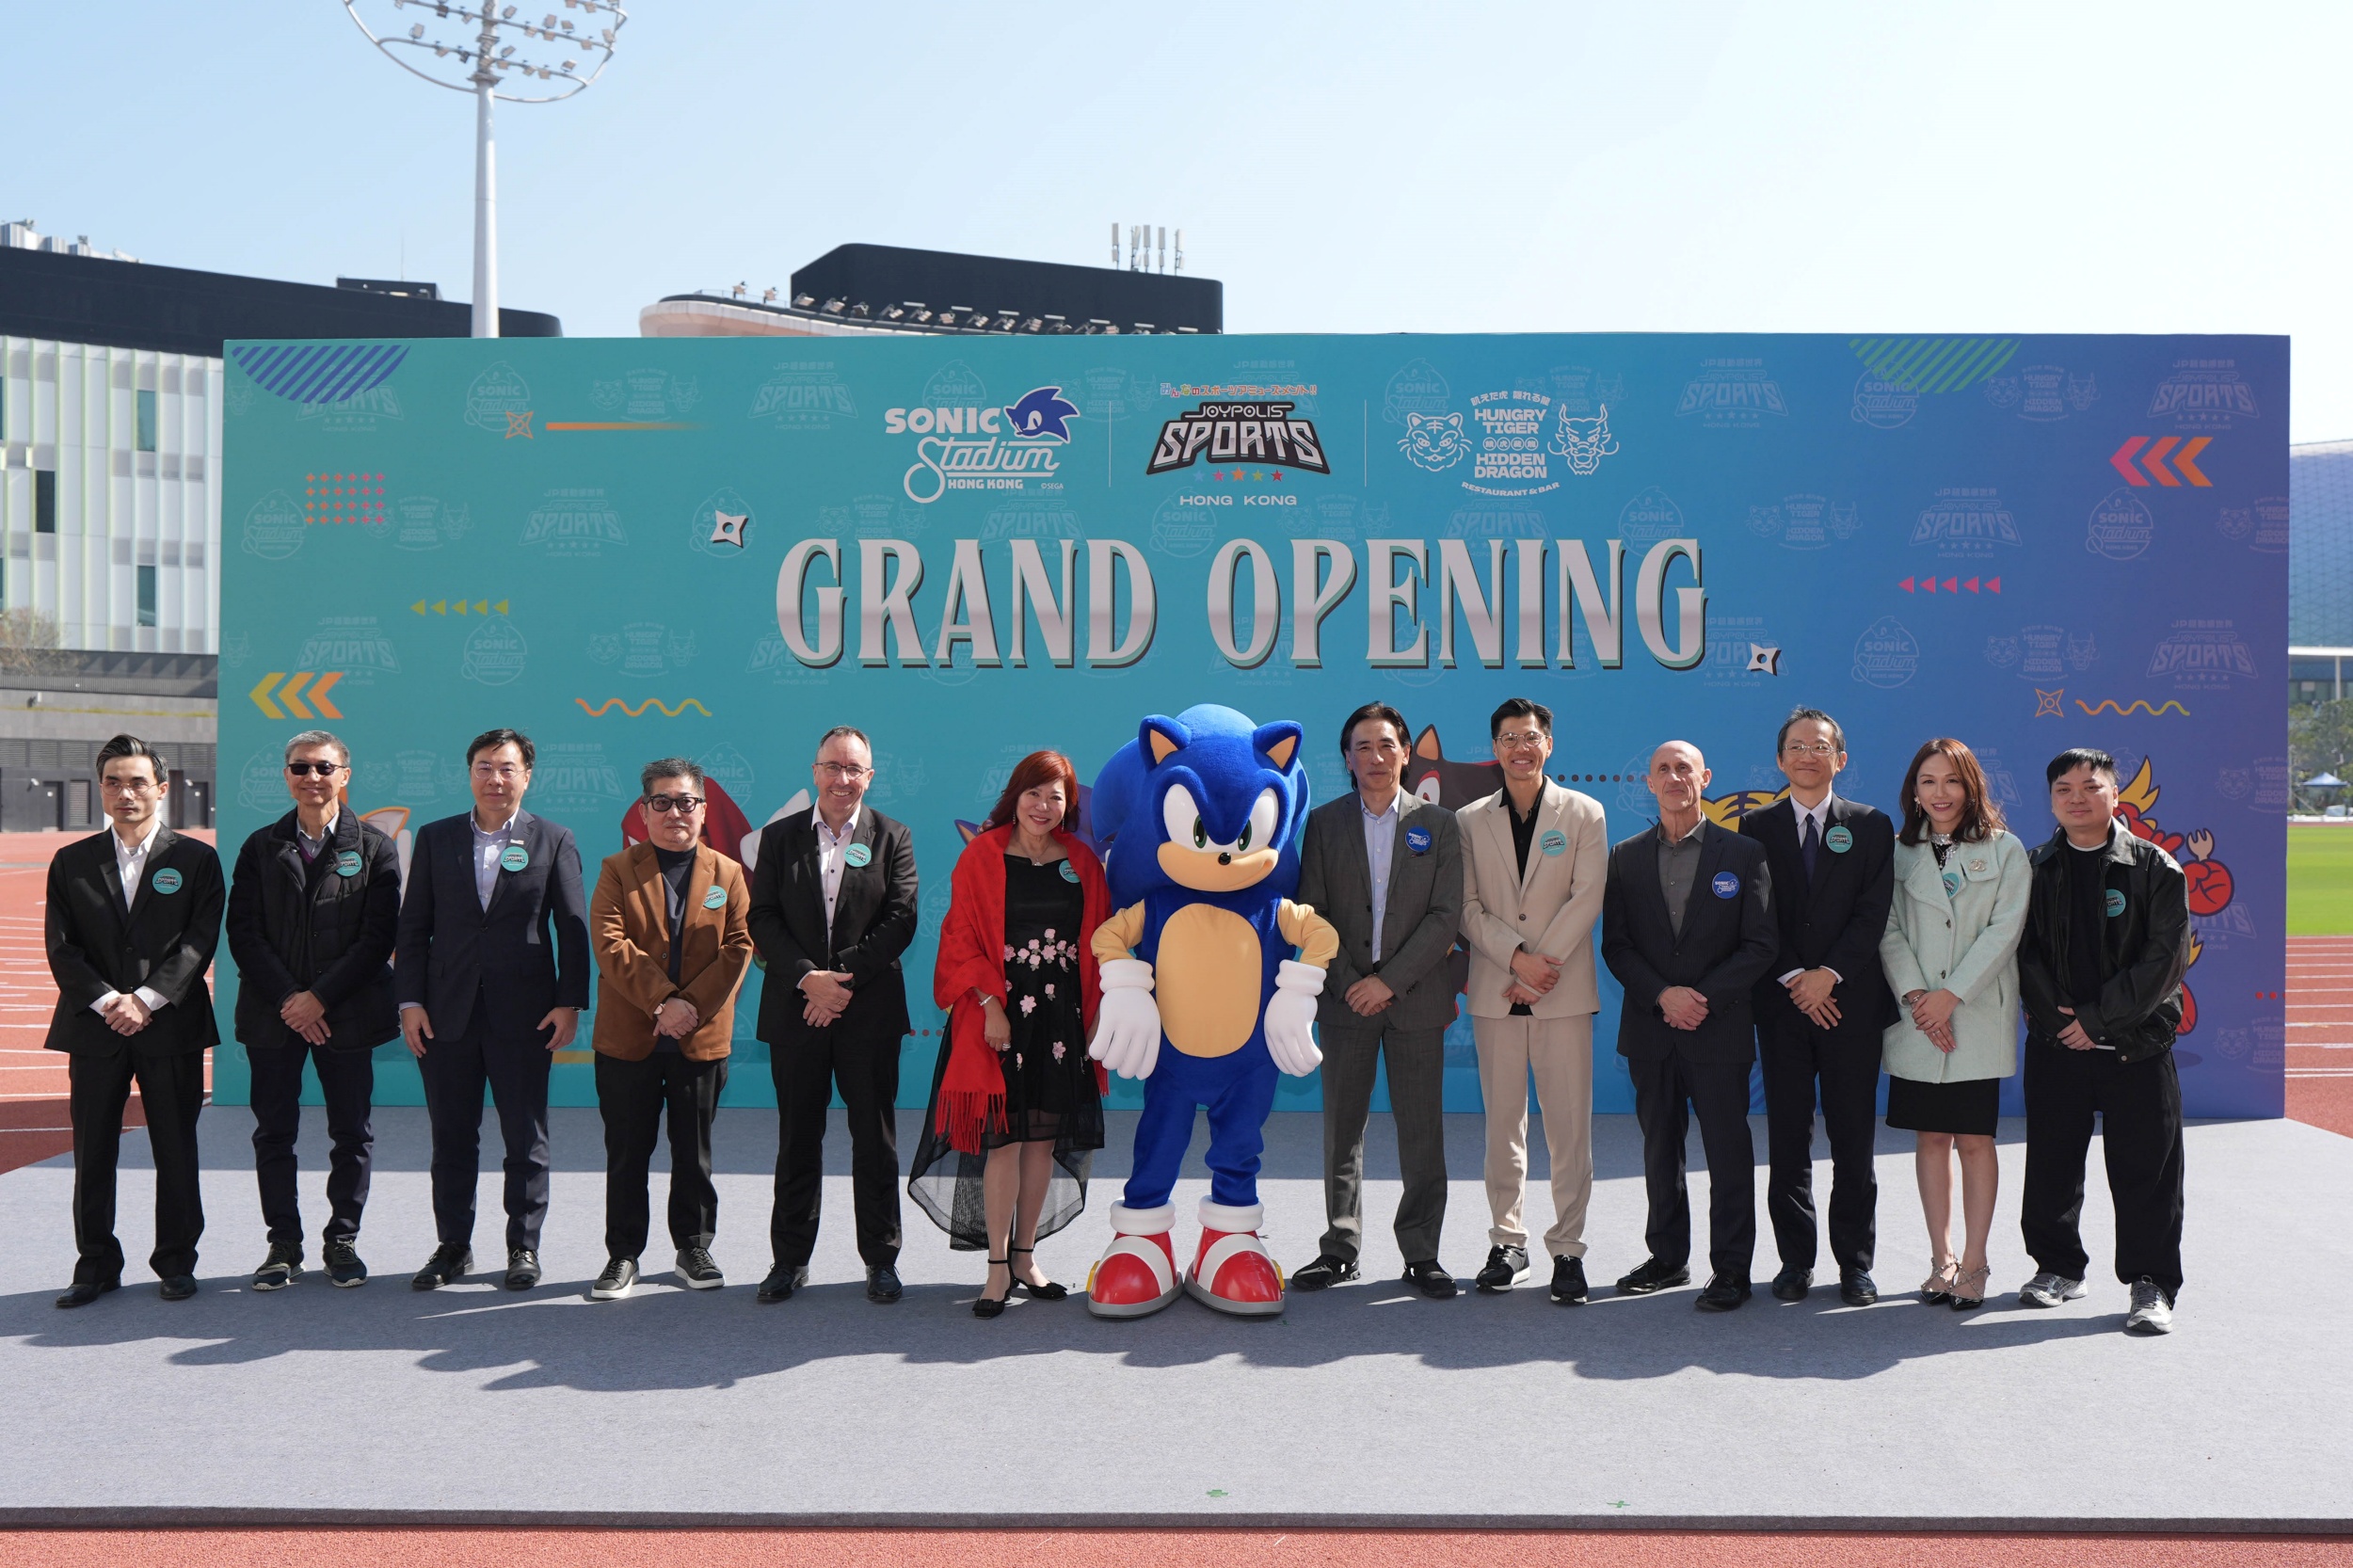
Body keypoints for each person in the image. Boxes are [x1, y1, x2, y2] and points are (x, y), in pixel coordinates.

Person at [911, 751, 1110, 1318]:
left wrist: (1098, 1014)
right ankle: (996, 1267)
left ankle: (1026, 1257)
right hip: (998, 1019)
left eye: (1056, 797)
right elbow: (960, 939)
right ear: (1014, 795)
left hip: (1059, 1020)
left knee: (1042, 1142)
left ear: (1069, 805)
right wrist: (991, 1006)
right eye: (1033, 794)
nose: (1043, 807)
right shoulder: (982, 854)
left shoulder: (1082, 861)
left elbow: (1098, 940)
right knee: (1005, 1143)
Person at [394, 728, 590, 1292]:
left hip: (525, 1014)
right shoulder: (436, 838)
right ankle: (453, 1247)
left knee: (524, 1136)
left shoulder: (553, 838)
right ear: (469, 773)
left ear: (527, 775)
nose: (495, 778)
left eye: (507, 768)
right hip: (445, 1013)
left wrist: (569, 1001)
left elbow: (571, 929)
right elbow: (413, 929)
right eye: (484, 767)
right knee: (451, 1137)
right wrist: (410, 1001)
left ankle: (522, 1248)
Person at [2013, 747, 2191, 1336]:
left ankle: (2152, 1284)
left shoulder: (2156, 868)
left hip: (2138, 1047)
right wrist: (2061, 1021)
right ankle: (2058, 1268)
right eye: (2063, 789)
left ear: (2115, 795)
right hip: (2056, 1044)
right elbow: (2024, 953)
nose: (2076, 798)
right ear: (2052, 801)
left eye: (2090, 787)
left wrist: (2097, 1020)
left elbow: (2163, 963)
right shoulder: (2034, 867)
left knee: (2147, 1171)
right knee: (2051, 1166)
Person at [45, 735, 226, 1307]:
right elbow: (61, 947)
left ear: (163, 789)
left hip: (169, 1027)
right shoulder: (71, 861)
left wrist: (146, 1000)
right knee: (92, 1149)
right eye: (114, 782)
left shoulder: (196, 859)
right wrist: (108, 1002)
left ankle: (175, 1261)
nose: (126, 793)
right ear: (101, 790)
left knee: (176, 1146)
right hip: (95, 1031)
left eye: (138, 782)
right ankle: (95, 1263)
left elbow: (199, 942)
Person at [1291, 702, 1465, 1299]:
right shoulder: (1323, 823)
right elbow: (1312, 914)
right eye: (1362, 747)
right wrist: (1349, 982)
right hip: (1345, 1003)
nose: (1375, 757)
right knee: (1343, 1130)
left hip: (1416, 1001)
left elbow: (1446, 917)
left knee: (1422, 1131)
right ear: (1347, 758)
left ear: (1406, 753)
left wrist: (1388, 982)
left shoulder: (1439, 824)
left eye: (1386, 745)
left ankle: (1421, 1252)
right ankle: (1340, 1246)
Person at [1601, 740, 1777, 1311]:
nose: (1674, 777)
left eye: (1685, 768)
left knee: (1728, 1151)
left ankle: (1731, 1268)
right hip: (1652, 1029)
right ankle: (1669, 1258)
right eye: (1663, 770)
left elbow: (1760, 945)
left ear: (1705, 776)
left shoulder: (1744, 853)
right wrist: (1663, 997)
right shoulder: (1624, 856)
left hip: (1718, 1026)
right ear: (1648, 783)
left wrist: (1699, 998)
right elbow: (1618, 947)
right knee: (1660, 1148)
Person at [223, 728, 401, 1290]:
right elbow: (244, 934)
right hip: (274, 1017)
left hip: (345, 1014)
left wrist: (320, 997)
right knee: (274, 1134)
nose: (312, 778)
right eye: (301, 768)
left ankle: (342, 1239)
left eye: (324, 768)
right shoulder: (259, 847)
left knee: (351, 1133)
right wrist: (290, 1000)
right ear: (287, 776)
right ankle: (284, 1244)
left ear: (344, 776)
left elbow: (378, 937)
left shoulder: (374, 847)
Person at [747, 725, 920, 1305]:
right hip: (797, 1011)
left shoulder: (893, 836)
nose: (843, 779)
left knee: (874, 1140)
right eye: (833, 767)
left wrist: (839, 980)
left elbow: (901, 919)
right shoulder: (779, 838)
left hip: (866, 1011)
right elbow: (761, 918)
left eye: (855, 769)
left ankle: (881, 1260)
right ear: (815, 771)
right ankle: (788, 1260)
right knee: (798, 1138)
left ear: (870, 777)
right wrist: (808, 980)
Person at [1737, 707, 1897, 1306]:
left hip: (1850, 1006)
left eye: (1821, 746)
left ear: (1841, 759)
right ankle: (1795, 1262)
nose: (1809, 755)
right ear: (1780, 760)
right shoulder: (1754, 828)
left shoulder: (1872, 825)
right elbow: (1754, 918)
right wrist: (1794, 979)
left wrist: (1828, 976)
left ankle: (1855, 1263)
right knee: (1788, 1138)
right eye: (1797, 746)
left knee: (1854, 1138)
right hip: (1781, 1008)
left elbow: (1872, 912)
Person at [584, 759, 755, 1302]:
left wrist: (688, 1010)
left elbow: (740, 947)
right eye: (662, 802)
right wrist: (662, 1002)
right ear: (644, 810)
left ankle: (693, 1246)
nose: (675, 812)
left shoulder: (727, 873)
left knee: (694, 1151)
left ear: (703, 810)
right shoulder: (617, 868)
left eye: (686, 802)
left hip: (698, 1039)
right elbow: (611, 943)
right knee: (627, 1151)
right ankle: (623, 1255)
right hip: (628, 1039)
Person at [1456, 697, 1608, 1304]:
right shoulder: (1468, 820)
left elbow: (1588, 894)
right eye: (1509, 738)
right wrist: (1516, 959)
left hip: (1563, 994)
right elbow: (1467, 908)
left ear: (1550, 744)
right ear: (1495, 749)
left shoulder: (1584, 813)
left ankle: (1568, 1249)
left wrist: (1540, 968)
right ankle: (1507, 1242)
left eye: (1532, 737)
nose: (1521, 747)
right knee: (1502, 1126)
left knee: (1569, 1129)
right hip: (1497, 990)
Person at [1878, 738, 2028, 1313]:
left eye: (1951, 782)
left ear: (1972, 787)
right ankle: (1940, 1258)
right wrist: (1919, 997)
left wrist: (1949, 997)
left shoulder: (2006, 850)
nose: (1940, 794)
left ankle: (1976, 1260)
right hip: (1918, 1019)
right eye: (1928, 782)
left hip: (1974, 1015)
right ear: (1913, 791)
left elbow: (2004, 931)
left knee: (1974, 1140)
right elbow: (1886, 929)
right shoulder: (1896, 852)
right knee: (1930, 1138)